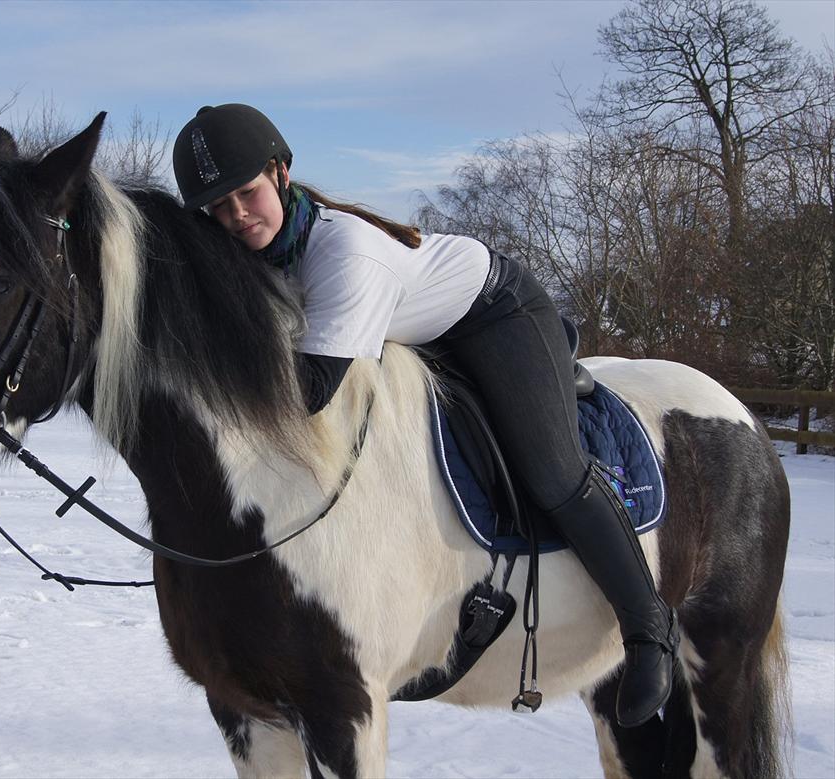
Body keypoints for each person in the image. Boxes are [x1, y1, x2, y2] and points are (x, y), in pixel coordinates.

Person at [172, 103, 678, 728]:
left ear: (279, 172)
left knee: (552, 470)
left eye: (246, 193)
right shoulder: (253, 257)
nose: (237, 216)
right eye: (218, 208)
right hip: (416, 326)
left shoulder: (346, 253)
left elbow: (305, 394)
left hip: (494, 314)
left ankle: (648, 627)